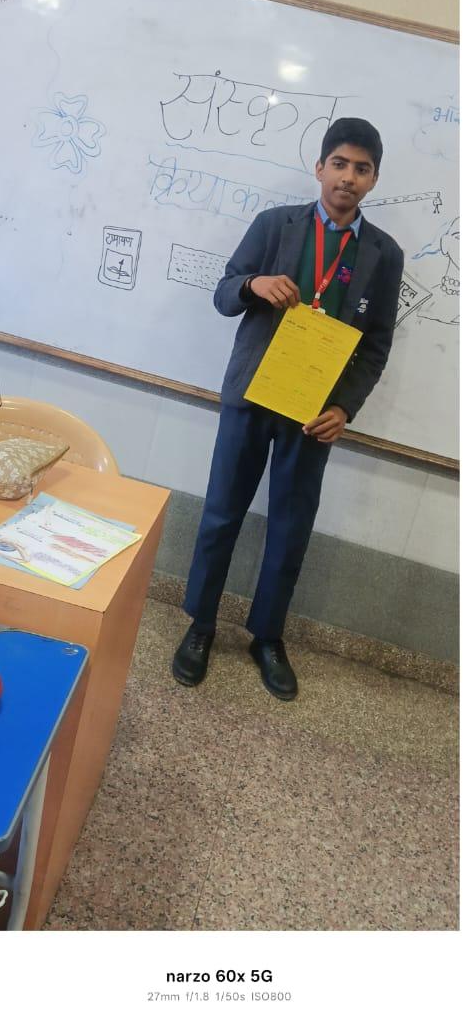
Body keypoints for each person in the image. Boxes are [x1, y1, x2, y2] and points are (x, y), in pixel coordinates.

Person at [172, 118, 404, 700]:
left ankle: (268, 637)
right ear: (320, 167)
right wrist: (254, 284)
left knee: (290, 527)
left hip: (313, 412)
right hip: (253, 394)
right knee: (222, 513)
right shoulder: (275, 225)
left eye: (362, 169)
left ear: (374, 179)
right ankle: (201, 625)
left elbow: (376, 344)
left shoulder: (384, 254)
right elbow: (224, 292)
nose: (348, 177)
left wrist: (345, 408)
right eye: (340, 164)